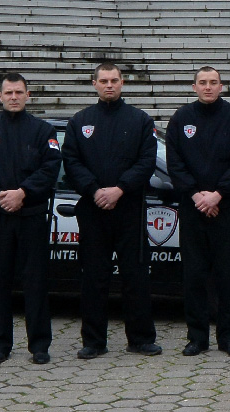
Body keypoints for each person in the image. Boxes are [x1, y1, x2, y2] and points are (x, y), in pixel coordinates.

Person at [63, 61, 160, 359]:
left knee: (136, 275)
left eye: (114, 80)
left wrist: (120, 189)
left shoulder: (140, 120)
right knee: (94, 276)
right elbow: (71, 161)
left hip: (129, 208)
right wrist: (94, 190)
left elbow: (146, 162)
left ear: (122, 83)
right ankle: (93, 341)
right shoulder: (80, 121)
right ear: (94, 84)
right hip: (93, 209)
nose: (109, 85)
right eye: (103, 80)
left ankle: (141, 339)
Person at [0, 73, 61, 364]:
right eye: (9, 92)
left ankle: (40, 345)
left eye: (19, 92)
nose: (14, 97)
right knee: (0, 281)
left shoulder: (43, 130)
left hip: (32, 215)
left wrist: (23, 192)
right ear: (0, 96)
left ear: (28, 95)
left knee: (35, 281)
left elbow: (50, 168)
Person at [166, 66, 230, 357]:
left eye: (213, 82)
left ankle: (228, 338)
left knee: (227, 275)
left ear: (222, 86)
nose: (208, 87)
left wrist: (217, 195)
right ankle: (197, 338)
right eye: (202, 83)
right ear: (194, 87)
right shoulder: (181, 118)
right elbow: (174, 161)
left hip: (226, 208)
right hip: (193, 208)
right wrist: (196, 195)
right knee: (194, 275)